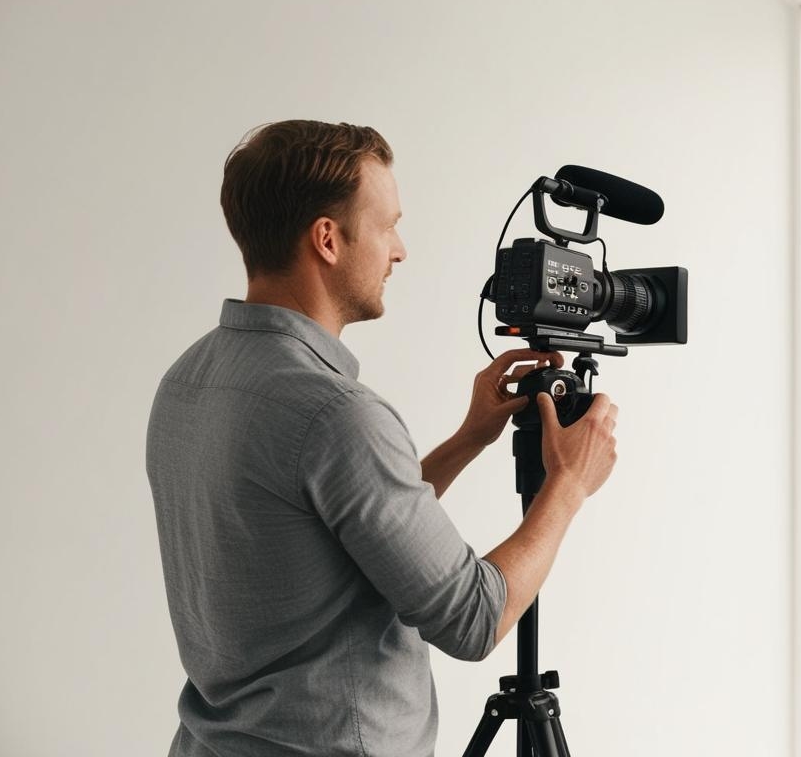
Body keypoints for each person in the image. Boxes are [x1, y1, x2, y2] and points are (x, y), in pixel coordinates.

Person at [146, 120, 618, 757]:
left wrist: (468, 438)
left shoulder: (188, 380)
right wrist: (568, 485)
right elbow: (474, 619)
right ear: (328, 240)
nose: (399, 250)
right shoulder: (336, 413)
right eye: (387, 225)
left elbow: (337, 527)